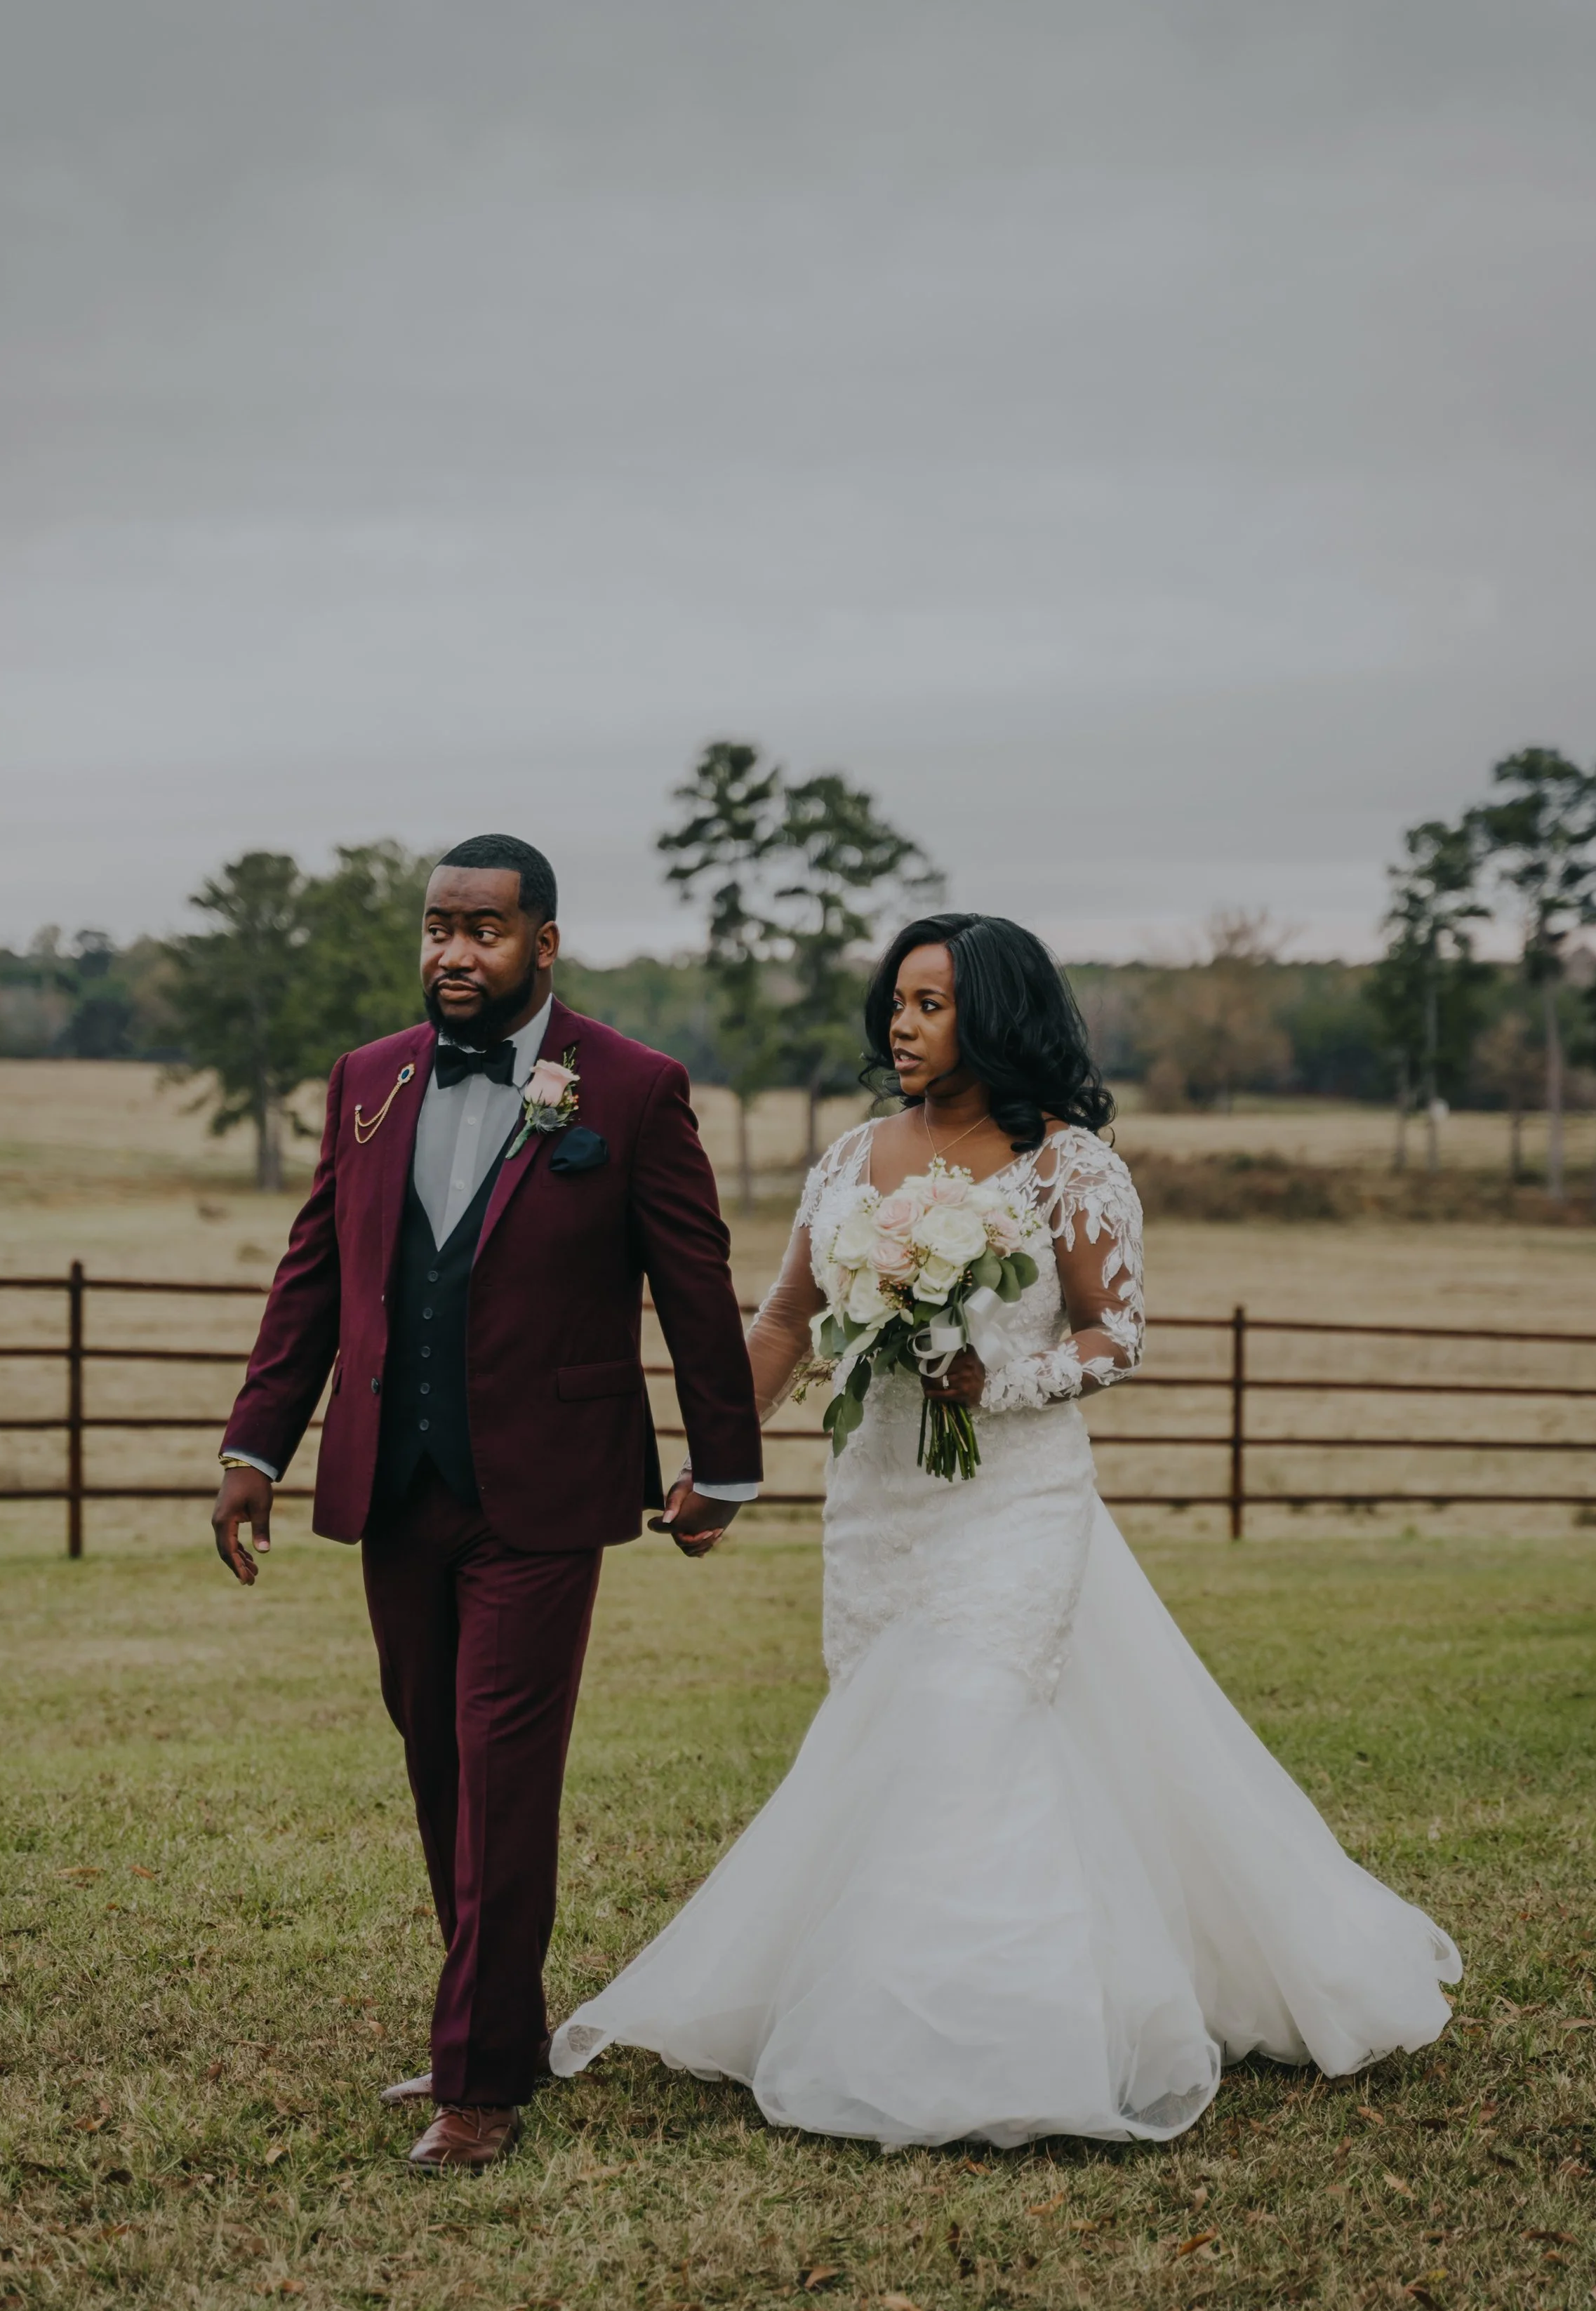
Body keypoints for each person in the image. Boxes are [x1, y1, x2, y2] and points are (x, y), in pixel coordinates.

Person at [551, 913, 1460, 2148]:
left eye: (930, 1005)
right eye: (898, 1002)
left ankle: (994, 2040)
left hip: (1014, 1500)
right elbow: (780, 1318)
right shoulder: (852, 1156)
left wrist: (998, 1383)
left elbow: (1114, 1336)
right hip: (877, 1503)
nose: (901, 1025)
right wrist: (724, 1457)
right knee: (890, 1738)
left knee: (972, 1726)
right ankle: (882, 2001)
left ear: (998, 1016)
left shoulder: (1068, 1167)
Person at [211, 834, 761, 2171]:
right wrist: (257, 1449)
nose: (456, 953)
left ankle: (478, 2082)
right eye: (439, 928)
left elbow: (694, 1278)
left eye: (487, 930)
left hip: (546, 1489)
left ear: (545, 943)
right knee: (433, 1752)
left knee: (505, 1764)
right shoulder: (367, 1081)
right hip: (397, 1484)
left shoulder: (631, 1089)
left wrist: (724, 1462)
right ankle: (501, 2026)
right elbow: (314, 1277)